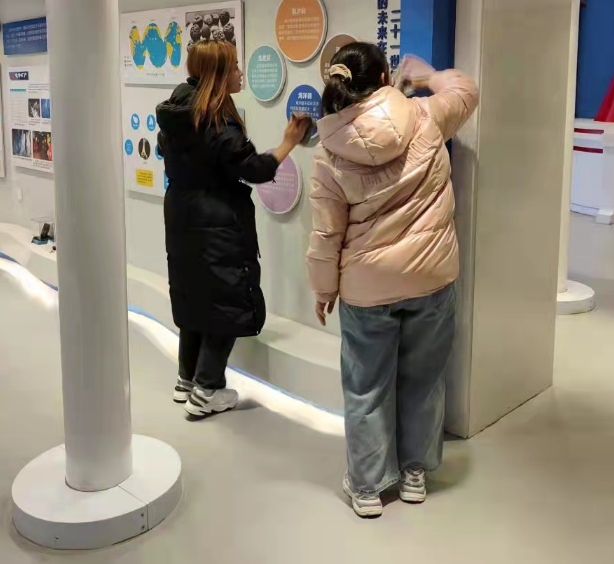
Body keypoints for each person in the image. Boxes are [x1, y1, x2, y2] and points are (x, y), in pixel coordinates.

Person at [306, 42, 478, 517]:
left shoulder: (328, 150)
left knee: (367, 387)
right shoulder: (426, 116)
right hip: (432, 277)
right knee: (424, 380)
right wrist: (427, 75)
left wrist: (323, 290)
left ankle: (367, 488)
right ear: (385, 78)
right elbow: (466, 90)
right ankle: (415, 474)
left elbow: (326, 234)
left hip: (366, 289)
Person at [157, 40, 311, 419]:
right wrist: (289, 142)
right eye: (236, 67)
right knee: (225, 300)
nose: (241, 73)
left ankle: (187, 379)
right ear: (219, 74)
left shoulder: (178, 109)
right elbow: (254, 169)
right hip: (217, 220)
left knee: (195, 295)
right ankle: (207, 390)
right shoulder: (215, 121)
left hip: (182, 215)